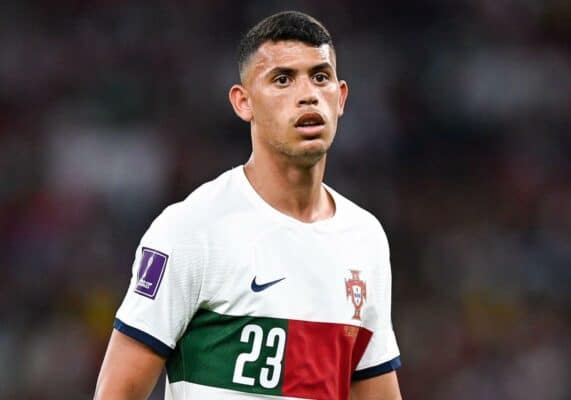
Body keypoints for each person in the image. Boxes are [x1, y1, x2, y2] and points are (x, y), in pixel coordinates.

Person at [95, 11, 403, 400]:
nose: (307, 93)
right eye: (282, 79)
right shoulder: (192, 230)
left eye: (320, 76)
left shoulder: (365, 238)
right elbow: (117, 392)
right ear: (244, 103)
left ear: (340, 98)